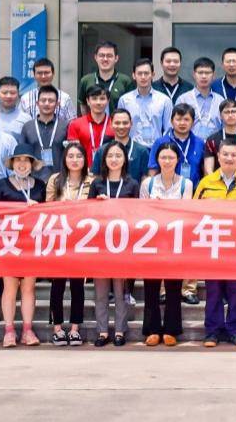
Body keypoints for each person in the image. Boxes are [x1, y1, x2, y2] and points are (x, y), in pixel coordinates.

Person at [194, 139, 236, 348]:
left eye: (233, 155)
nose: (229, 158)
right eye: (225, 154)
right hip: (213, 245)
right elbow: (193, 213)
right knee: (213, 290)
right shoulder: (206, 183)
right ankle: (212, 332)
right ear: (218, 157)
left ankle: (235, 330)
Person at [0, 145, 48, 347]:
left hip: (32, 243)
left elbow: (48, 213)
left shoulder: (39, 185)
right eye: (18, 160)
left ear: (32, 164)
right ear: (12, 163)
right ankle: (9, 330)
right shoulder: (3, 184)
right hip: (10, 242)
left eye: (26, 160)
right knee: (9, 287)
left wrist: (37, 208)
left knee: (28, 287)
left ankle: (27, 329)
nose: (22, 164)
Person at [140, 141, 194, 346]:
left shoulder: (186, 184)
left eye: (171, 157)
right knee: (151, 287)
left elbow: (186, 212)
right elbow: (142, 212)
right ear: (157, 159)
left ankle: (172, 329)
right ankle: (152, 329)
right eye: (163, 157)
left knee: (173, 287)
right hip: (151, 241)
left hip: (175, 241)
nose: (167, 161)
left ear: (178, 160)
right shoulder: (148, 184)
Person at [88, 140, 141, 347]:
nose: (114, 159)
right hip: (100, 244)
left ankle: (120, 330)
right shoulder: (97, 184)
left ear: (125, 159)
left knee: (121, 292)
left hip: (123, 244)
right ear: (104, 159)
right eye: (110, 155)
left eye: (118, 155)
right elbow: (87, 213)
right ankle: (102, 331)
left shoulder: (132, 184)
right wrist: (98, 205)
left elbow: (137, 214)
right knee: (101, 292)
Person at [44, 141, 92, 347]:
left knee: (77, 286)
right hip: (59, 239)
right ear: (64, 159)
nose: (75, 160)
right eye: (70, 156)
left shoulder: (92, 180)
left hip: (82, 240)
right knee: (57, 285)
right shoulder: (55, 180)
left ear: (85, 160)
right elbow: (47, 208)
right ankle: (57, 329)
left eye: (79, 156)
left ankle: (74, 329)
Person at [118, 57, 173, 162]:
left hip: (156, 150)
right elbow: (120, 127)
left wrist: (162, 149)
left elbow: (168, 130)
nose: (143, 77)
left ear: (153, 74)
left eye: (146, 73)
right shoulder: (124, 100)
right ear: (133, 75)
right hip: (131, 150)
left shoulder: (164, 100)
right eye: (139, 73)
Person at [19, 85, 69, 180]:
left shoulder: (65, 126)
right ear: (37, 103)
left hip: (60, 180)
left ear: (57, 104)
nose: (47, 104)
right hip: (33, 181)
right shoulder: (27, 127)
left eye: (51, 101)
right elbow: (22, 155)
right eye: (43, 100)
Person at [77, 40, 135, 113]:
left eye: (109, 56)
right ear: (95, 57)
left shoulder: (125, 81)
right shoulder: (86, 80)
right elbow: (83, 105)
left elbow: (130, 106)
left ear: (116, 58)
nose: (105, 59)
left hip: (117, 120)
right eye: (101, 55)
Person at [175, 57, 225, 140]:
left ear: (213, 75)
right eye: (200, 72)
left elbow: (224, 126)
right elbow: (176, 125)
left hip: (215, 145)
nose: (204, 76)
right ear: (194, 75)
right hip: (189, 144)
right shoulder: (183, 99)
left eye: (207, 73)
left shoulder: (220, 100)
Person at [93, 108, 149, 182]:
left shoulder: (141, 151)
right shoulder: (102, 151)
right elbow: (95, 177)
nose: (121, 126)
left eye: (125, 123)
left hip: (134, 189)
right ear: (111, 124)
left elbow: (145, 179)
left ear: (131, 124)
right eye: (117, 123)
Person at [66, 85, 115, 167]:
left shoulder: (115, 124)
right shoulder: (75, 124)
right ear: (88, 101)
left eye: (102, 99)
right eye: (94, 98)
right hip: (84, 171)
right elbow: (73, 153)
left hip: (109, 170)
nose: (98, 102)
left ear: (108, 101)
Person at [18, 58, 75, 122]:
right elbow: (20, 122)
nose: (43, 76)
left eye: (46, 73)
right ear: (34, 75)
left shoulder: (65, 98)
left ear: (53, 73)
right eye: (39, 73)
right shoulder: (25, 98)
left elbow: (72, 122)